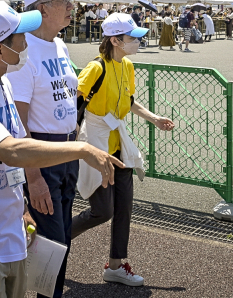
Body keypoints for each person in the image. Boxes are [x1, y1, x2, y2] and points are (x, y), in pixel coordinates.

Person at [0, 2, 122, 297]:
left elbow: (11, 158)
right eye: (20, 36)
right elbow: (12, 151)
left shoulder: (0, 83)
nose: (25, 41)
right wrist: (82, 150)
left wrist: (22, 207)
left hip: (6, 233)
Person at [72, 14, 174, 287]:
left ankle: (116, 266)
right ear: (115, 40)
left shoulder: (127, 65)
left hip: (118, 142)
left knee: (124, 208)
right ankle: (57, 236)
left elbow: (129, 102)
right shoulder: (96, 67)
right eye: (132, 38)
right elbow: (75, 101)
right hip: (95, 140)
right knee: (102, 210)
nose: (137, 42)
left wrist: (154, 118)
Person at [6, 0, 82, 298]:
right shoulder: (24, 50)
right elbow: (19, 120)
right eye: (64, 1)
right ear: (42, 8)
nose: (71, 6)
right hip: (41, 153)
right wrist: (33, 178)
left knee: (60, 241)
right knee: (51, 244)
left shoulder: (60, 44)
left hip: (66, 153)